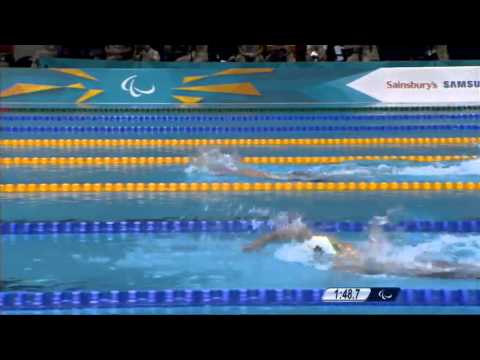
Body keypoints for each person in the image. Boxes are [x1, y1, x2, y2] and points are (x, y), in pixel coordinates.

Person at [243, 217, 480, 279]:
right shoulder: (321, 240)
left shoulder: (315, 244)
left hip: (369, 264)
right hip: (370, 260)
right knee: (431, 267)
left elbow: (341, 262)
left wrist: (259, 243)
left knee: (429, 271)